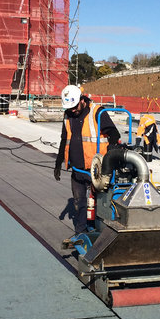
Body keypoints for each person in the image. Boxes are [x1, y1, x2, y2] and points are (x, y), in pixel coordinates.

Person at [54, 85, 122, 238]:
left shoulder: (97, 112)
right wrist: (58, 163)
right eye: (69, 108)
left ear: (82, 100)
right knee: (79, 203)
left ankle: (102, 233)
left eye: (74, 107)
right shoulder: (68, 114)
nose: (72, 110)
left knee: (101, 203)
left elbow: (113, 132)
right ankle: (81, 232)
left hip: (97, 169)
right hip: (77, 169)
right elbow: (64, 139)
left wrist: (112, 147)